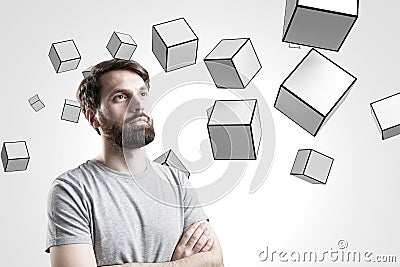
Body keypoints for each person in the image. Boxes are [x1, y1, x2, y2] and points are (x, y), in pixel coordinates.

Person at [45, 59, 224, 267]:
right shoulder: (72, 189)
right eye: (121, 97)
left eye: (143, 94)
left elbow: (215, 261)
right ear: (93, 118)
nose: (138, 104)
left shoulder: (177, 182)